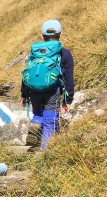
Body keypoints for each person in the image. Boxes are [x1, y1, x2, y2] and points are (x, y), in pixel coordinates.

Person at [20, 19, 75, 149]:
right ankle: (44, 150)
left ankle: (36, 122)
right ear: (60, 34)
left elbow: (26, 72)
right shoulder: (64, 53)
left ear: (42, 36)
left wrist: (24, 94)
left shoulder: (34, 52)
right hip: (52, 90)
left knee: (38, 113)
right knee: (50, 120)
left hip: (33, 90)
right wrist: (68, 99)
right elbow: (68, 78)